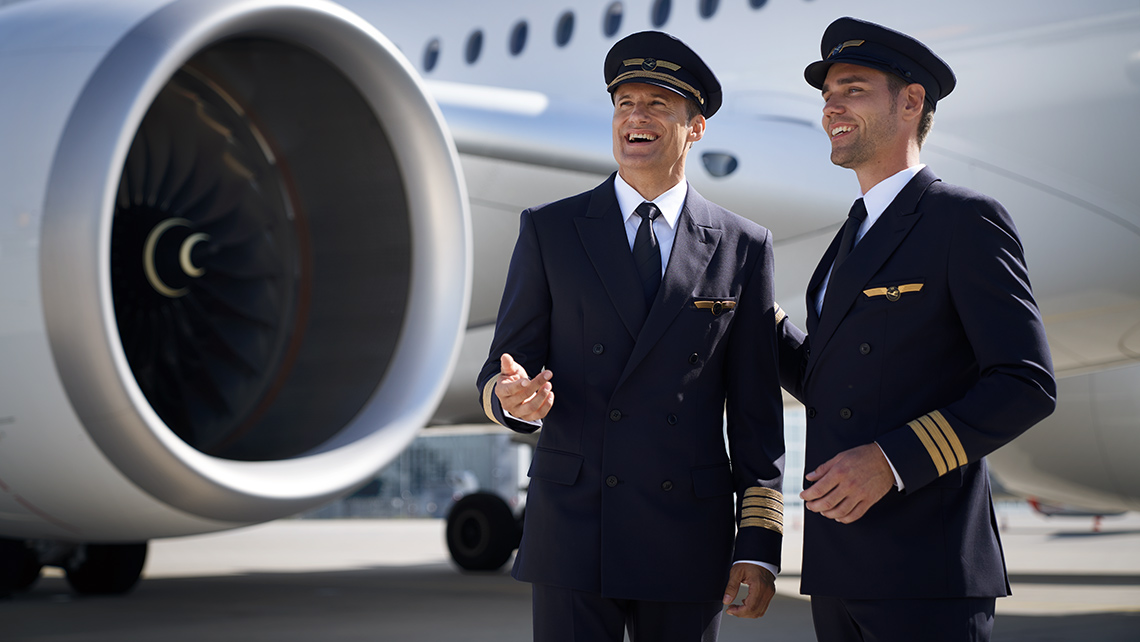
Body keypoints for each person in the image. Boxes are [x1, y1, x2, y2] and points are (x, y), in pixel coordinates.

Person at [476, 30, 785, 642]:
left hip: (686, 533)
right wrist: (512, 401)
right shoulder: (551, 230)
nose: (635, 118)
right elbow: (502, 368)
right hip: (574, 526)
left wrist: (758, 546)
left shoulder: (743, 246)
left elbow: (756, 417)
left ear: (695, 127)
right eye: (625, 104)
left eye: (657, 105)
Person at [776, 17, 1057, 642]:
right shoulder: (853, 232)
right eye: (827, 95)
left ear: (911, 102)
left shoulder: (964, 219)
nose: (831, 107)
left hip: (926, 568)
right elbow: (835, 384)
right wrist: (762, 323)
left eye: (852, 88)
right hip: (839, 564)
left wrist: (890, 462)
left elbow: (1026, 382)